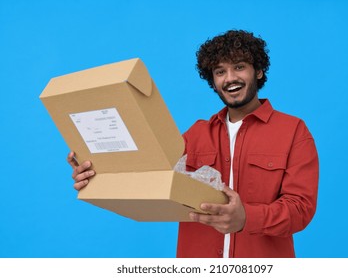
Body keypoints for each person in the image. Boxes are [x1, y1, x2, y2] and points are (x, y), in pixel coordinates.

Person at [68, 29, 319, 258]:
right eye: (220, 72)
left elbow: (301, 209)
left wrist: (246, 218)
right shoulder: (195, 135)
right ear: (213, 81)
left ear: (259, 71)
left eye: (239, 67)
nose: (230, 78)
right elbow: (153, 175)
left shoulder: (293, 131)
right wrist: (97, 172)